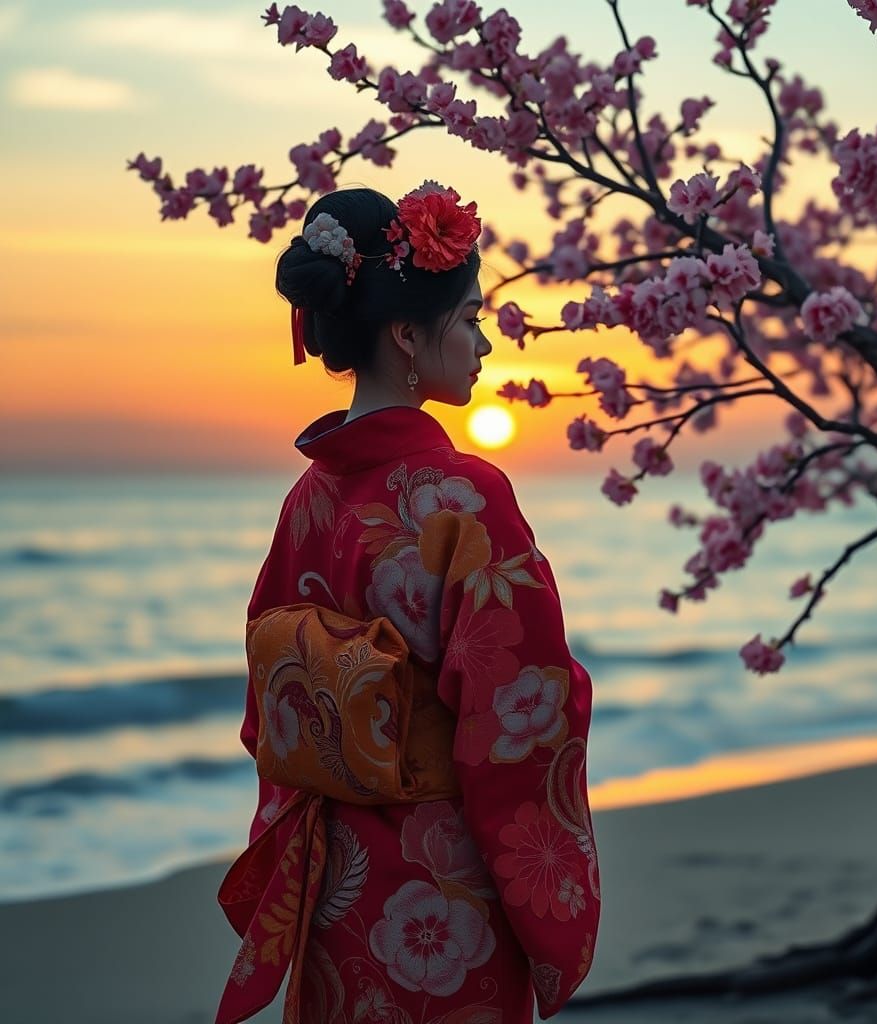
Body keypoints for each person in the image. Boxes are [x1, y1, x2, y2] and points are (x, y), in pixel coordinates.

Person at [215, 183, 600, 1024]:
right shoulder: (468, 498)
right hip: (442, 891)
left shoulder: (306, 502)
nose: (485, 341)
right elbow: (522, 715)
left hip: (334, 882)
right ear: (406, 335)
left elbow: (268, 718)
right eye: (469, 318)